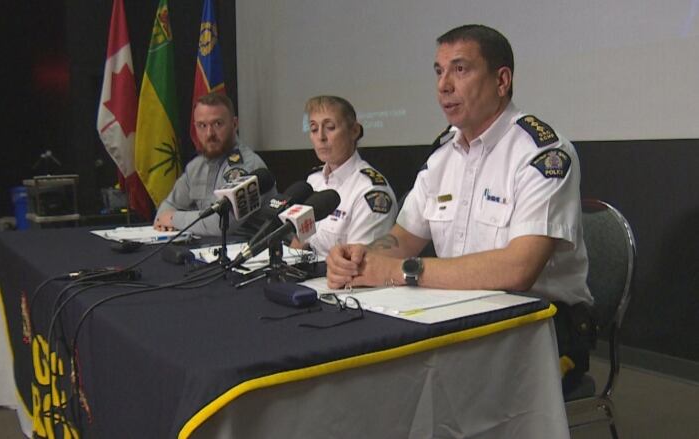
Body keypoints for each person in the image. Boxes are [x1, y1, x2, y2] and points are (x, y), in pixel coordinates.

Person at [325, 25, 595, 391]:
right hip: (457, 318)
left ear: (502, 81)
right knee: (362, 368)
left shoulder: (542, 154)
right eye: (438, 71)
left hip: (539, 328)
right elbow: (402, 239)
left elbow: (519, 269)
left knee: (413, 388)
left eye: (460, 69)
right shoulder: (441, 158)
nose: (443, 85)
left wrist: (399, 271)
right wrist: (358, 257)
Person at [154, 93, 275, 236]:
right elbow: (167, 208)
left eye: (217, 124)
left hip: (249, 249)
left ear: (234, 124)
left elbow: (221, 224)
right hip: (209, 249)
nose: (209, 133)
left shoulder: (248, 166)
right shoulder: (195, 167)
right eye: (202, 125)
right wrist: (164, 220)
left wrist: (174, 219)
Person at [295, 96, 397, 257]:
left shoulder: (371, 191)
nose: (321, 137)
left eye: (330, 127)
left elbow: (358, 263)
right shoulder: (313, 181)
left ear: (354, 131)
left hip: (341, 279)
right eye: (314, 129)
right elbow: (297, 243)